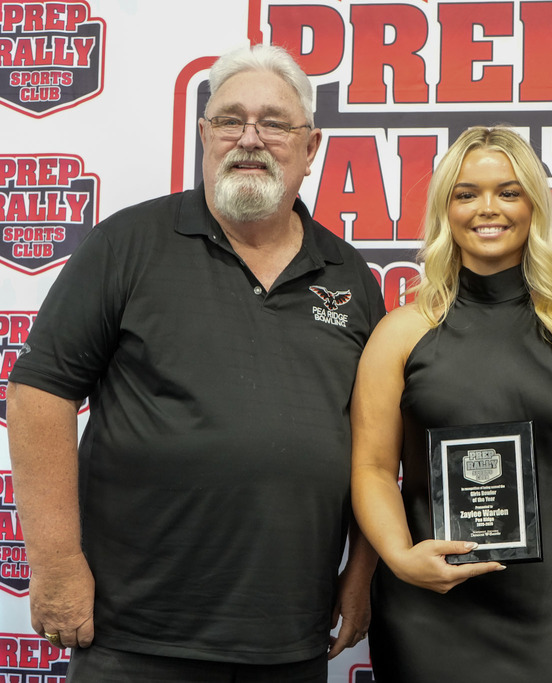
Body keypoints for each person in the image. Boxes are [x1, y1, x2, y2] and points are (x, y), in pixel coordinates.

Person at [6, 44, 384, 682]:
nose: (250, 138)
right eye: (230, 119)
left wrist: (360, 575)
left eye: (274, 122)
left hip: (289, 640)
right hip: (134, 636)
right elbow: (39, 395)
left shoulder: (350, 276)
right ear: (204, 134)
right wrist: (57, 565)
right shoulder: (126, 244)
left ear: (312, 145)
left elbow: (377, 445)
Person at [350, 126, 552, 683]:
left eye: (508, 191)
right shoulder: (401, 333)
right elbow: (373, 469)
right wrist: (401, 557)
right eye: (466, 193)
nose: (487, 209)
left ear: (534, 205)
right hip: (431, 608)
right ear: (445, 209)